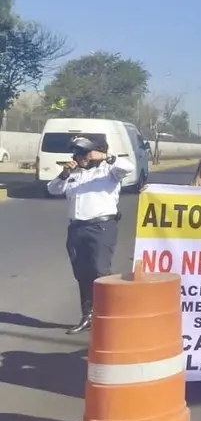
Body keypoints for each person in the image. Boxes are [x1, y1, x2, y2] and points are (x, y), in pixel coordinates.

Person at [47, 135, 135, 334]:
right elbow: (52, 189)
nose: (79, 156)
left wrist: (105, 156)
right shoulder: (74, 173)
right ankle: (88, 316)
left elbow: (128, 167)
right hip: (77, 228)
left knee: (100, 272)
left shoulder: (109, 171)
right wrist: (64, 173)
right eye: (76, 153)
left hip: (101, 228)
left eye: (83, 152)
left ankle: (110, 316)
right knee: (82, 274)